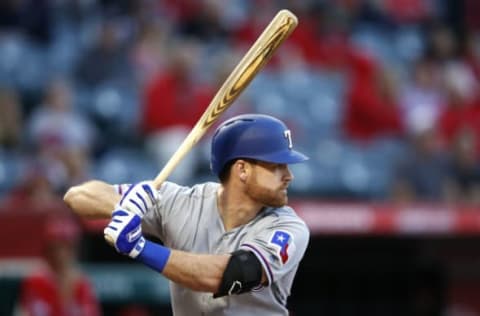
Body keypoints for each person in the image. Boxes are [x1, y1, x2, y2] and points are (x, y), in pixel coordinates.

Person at [63, 114, 310, 315]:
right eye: (277, 166)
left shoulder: (288, 227)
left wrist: (140, 248)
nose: (289, 176)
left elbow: (232, 274)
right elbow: (76, 196)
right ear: (242, 170)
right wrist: (124, 206)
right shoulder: (179, 201)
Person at [16, 212, 101, 316]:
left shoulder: (82, 284)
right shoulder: (35, 281)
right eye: (55, 248)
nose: (60, 254)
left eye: (66, 248)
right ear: (47, 250)